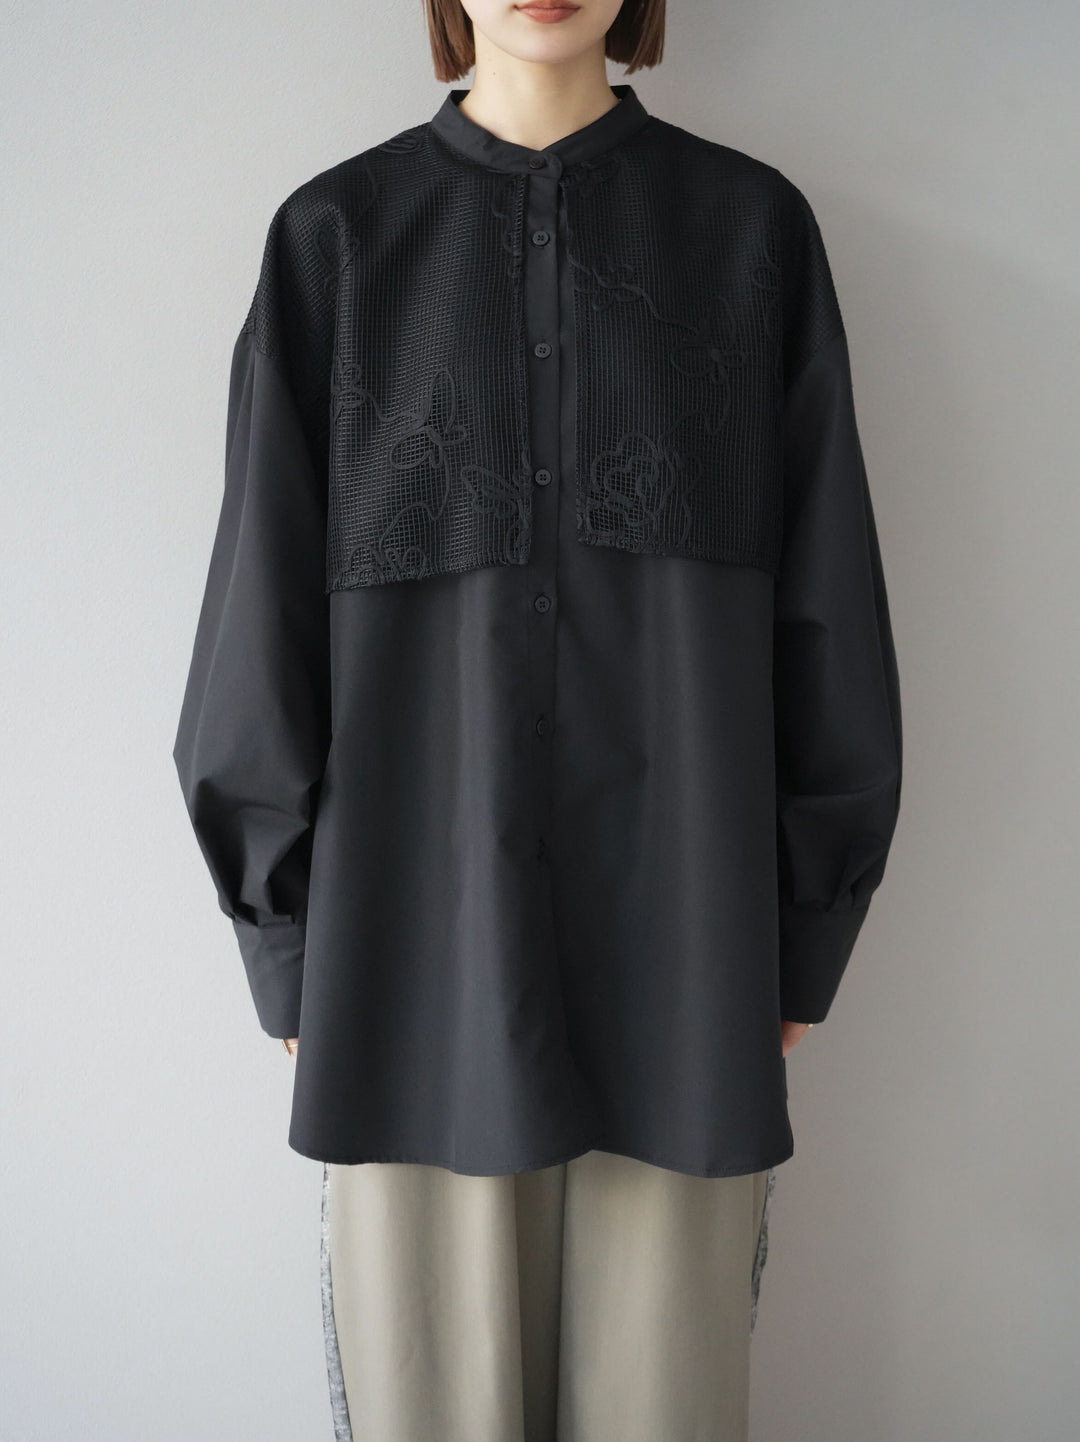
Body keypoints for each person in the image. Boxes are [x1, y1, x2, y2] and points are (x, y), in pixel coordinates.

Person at [172, 0, 903, 1437]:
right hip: (409, 990)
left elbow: (829, 601)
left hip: (690, 982)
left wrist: (807, 924)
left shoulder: (750, 236)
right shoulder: (337, 244)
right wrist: (289, 941)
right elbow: (257, 618)